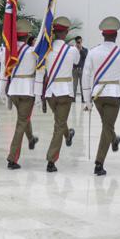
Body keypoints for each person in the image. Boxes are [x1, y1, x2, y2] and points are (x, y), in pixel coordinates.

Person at [82, 17, 120, 176]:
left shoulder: (92, 52)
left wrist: (87, 100)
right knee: (107, 127)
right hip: (113, 94)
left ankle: (114, 139)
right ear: (116, 35)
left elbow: (86, 75)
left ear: (102, 35)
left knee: (107, 125)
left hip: (97, 95)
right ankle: (99, 163)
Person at [35, 17, 80, 172]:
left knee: (60, 122)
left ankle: (68, 136)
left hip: (50, 93)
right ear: (66, 32)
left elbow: (40, 73)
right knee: (59, 125)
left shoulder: (46, 50)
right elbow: (77, 61)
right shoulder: (72, 50)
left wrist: (38, 95)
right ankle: (51, 160)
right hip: (65, 92)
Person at [0, 19, 40, 170]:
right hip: (27, 90)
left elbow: (4, 73)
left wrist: (2, 92)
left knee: (23, 117)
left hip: (13, 90)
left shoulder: (8, 51)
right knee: (22, 121)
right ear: (28, 35)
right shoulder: (33, 52)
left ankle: (31, 139)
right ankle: (12, 158)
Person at [72, 36, 88, 103]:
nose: (79, 43)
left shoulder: (85, 49)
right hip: (75, 69)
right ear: (76, 42)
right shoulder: (72, 49)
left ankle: (83, 99)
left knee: (82, 85)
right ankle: (73, 99)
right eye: (78, 42)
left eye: (80, 41)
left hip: (82, 69)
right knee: (74, 85)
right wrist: (76, 49)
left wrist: (81, 49)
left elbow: (85, 56)